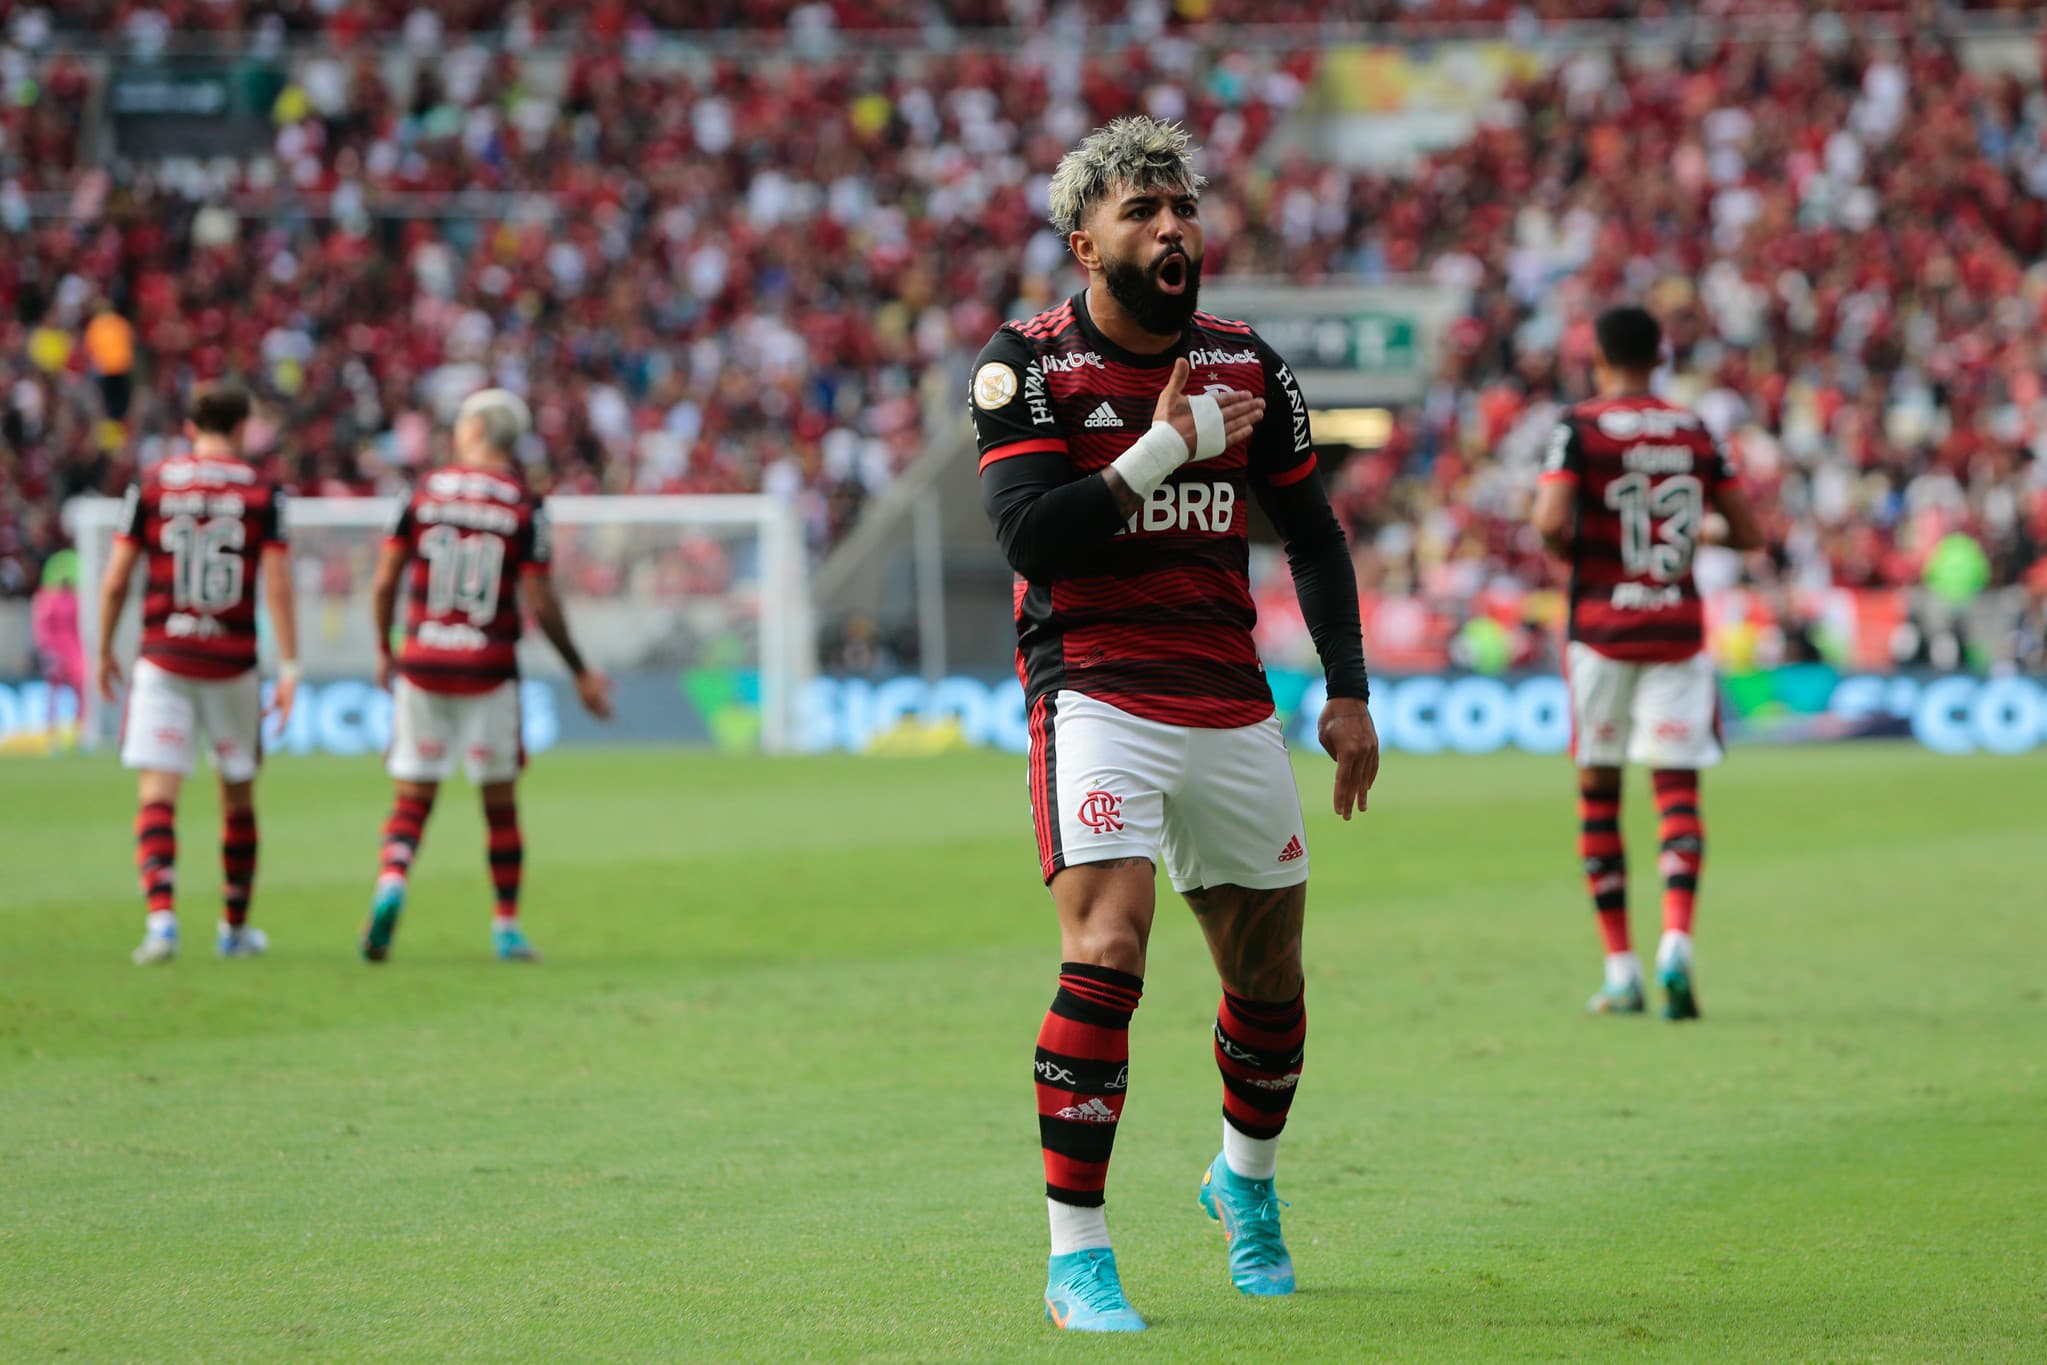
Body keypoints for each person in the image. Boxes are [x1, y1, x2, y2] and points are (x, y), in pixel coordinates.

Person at [970, 116, 1379, 1333]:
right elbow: (1028, 537)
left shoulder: (1249, 364)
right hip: (1093, 687)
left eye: (1180, 208)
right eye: (1142, 212)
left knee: (1269, 981)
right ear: (1083, 240)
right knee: (1107, 950)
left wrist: (1347, 691)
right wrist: (1163, 448)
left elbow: (1310, 533)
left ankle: (1242, 1185)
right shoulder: (1024, 364)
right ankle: (1076, 1257)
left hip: (1227, 695)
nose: (1170, 228)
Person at [1530, 305, 1762, 1020]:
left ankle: (1621, 968)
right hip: (1676, 629)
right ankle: (1676, 946)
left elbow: (1547, 521)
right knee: (1676, 794)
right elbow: (1747, 530)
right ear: (1659, 359)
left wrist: (1579, 556)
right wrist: (1687, 529)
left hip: (1601, 629)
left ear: (1598, 355)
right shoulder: (1694, 429)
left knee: (1599, 791)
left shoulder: (1580, 426)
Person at [362, 389, 613, 964]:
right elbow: (542, 602)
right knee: (499, 802)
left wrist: (384, 647)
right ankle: (505, 926)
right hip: (489, 664)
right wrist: (580, 672)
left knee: (413, 795)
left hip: (423, 659)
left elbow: (383, 582)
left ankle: (392, 880)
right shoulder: (525, 503)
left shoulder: (422, 491)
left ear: (474, 430)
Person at [95, 382, 299, 964]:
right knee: (236, 793)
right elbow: (278, 584)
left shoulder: (153, 482)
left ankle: (161, 922)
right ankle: (234, 928)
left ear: (190, 426)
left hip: (163, 655)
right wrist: (289, 666)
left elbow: (116, 579)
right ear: (243, 427)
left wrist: (105, 645)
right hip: (232, 661)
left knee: (158, 792)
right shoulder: (264, 491)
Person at [30, 549, 85, 750]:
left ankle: (81, 732)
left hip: (74, 649)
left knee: (82, 689)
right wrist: (48, 651)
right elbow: (42, 629)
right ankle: (52, 735)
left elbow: (80, 627)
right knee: (53, 692)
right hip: (55, 651)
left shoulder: (75, 598)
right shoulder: (46, 598)